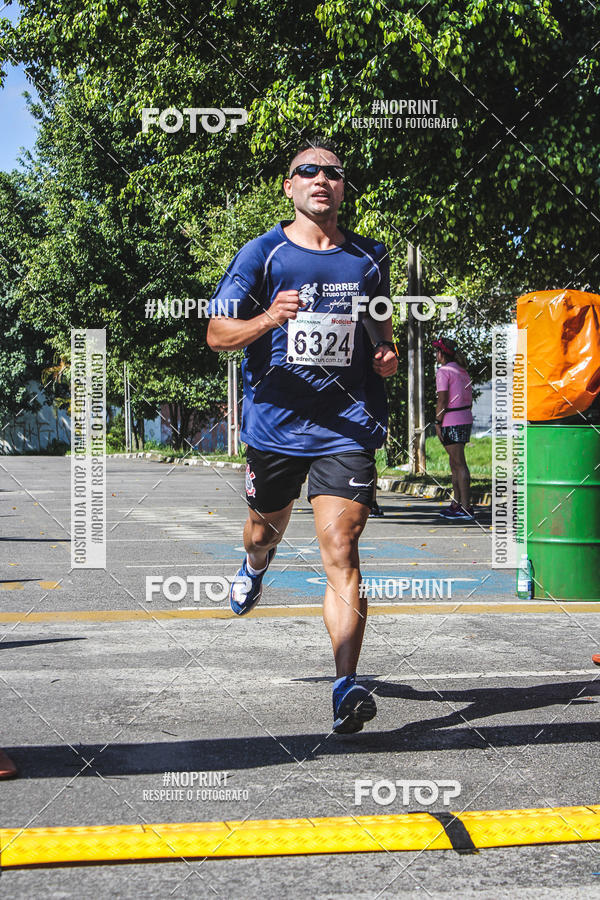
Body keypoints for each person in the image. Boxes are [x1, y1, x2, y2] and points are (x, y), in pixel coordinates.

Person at [207, 136, 398, 733]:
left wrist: (385, 352)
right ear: (289, 186)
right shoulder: (262, 255)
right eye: (308, 171)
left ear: (343, 188)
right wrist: (268, 317)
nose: (322, 179)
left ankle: (346, 686)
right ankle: (255, 564)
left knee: (342, 547)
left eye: (333, 173)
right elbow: (217, 334)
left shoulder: (369, 258)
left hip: (347, 426)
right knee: (262, 531)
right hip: (276, 426)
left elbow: (379, 319)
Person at [433, 336, 475, 520]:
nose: (436, 354)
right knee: (454, 463)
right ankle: (457, 503)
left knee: (459, 463)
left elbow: (442, 399)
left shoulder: (443, 371)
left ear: (442, 354)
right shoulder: (462, 371)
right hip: (465, 417)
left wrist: (437, 421)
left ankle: (465, 507)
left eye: (437, 351)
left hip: (451, 419)